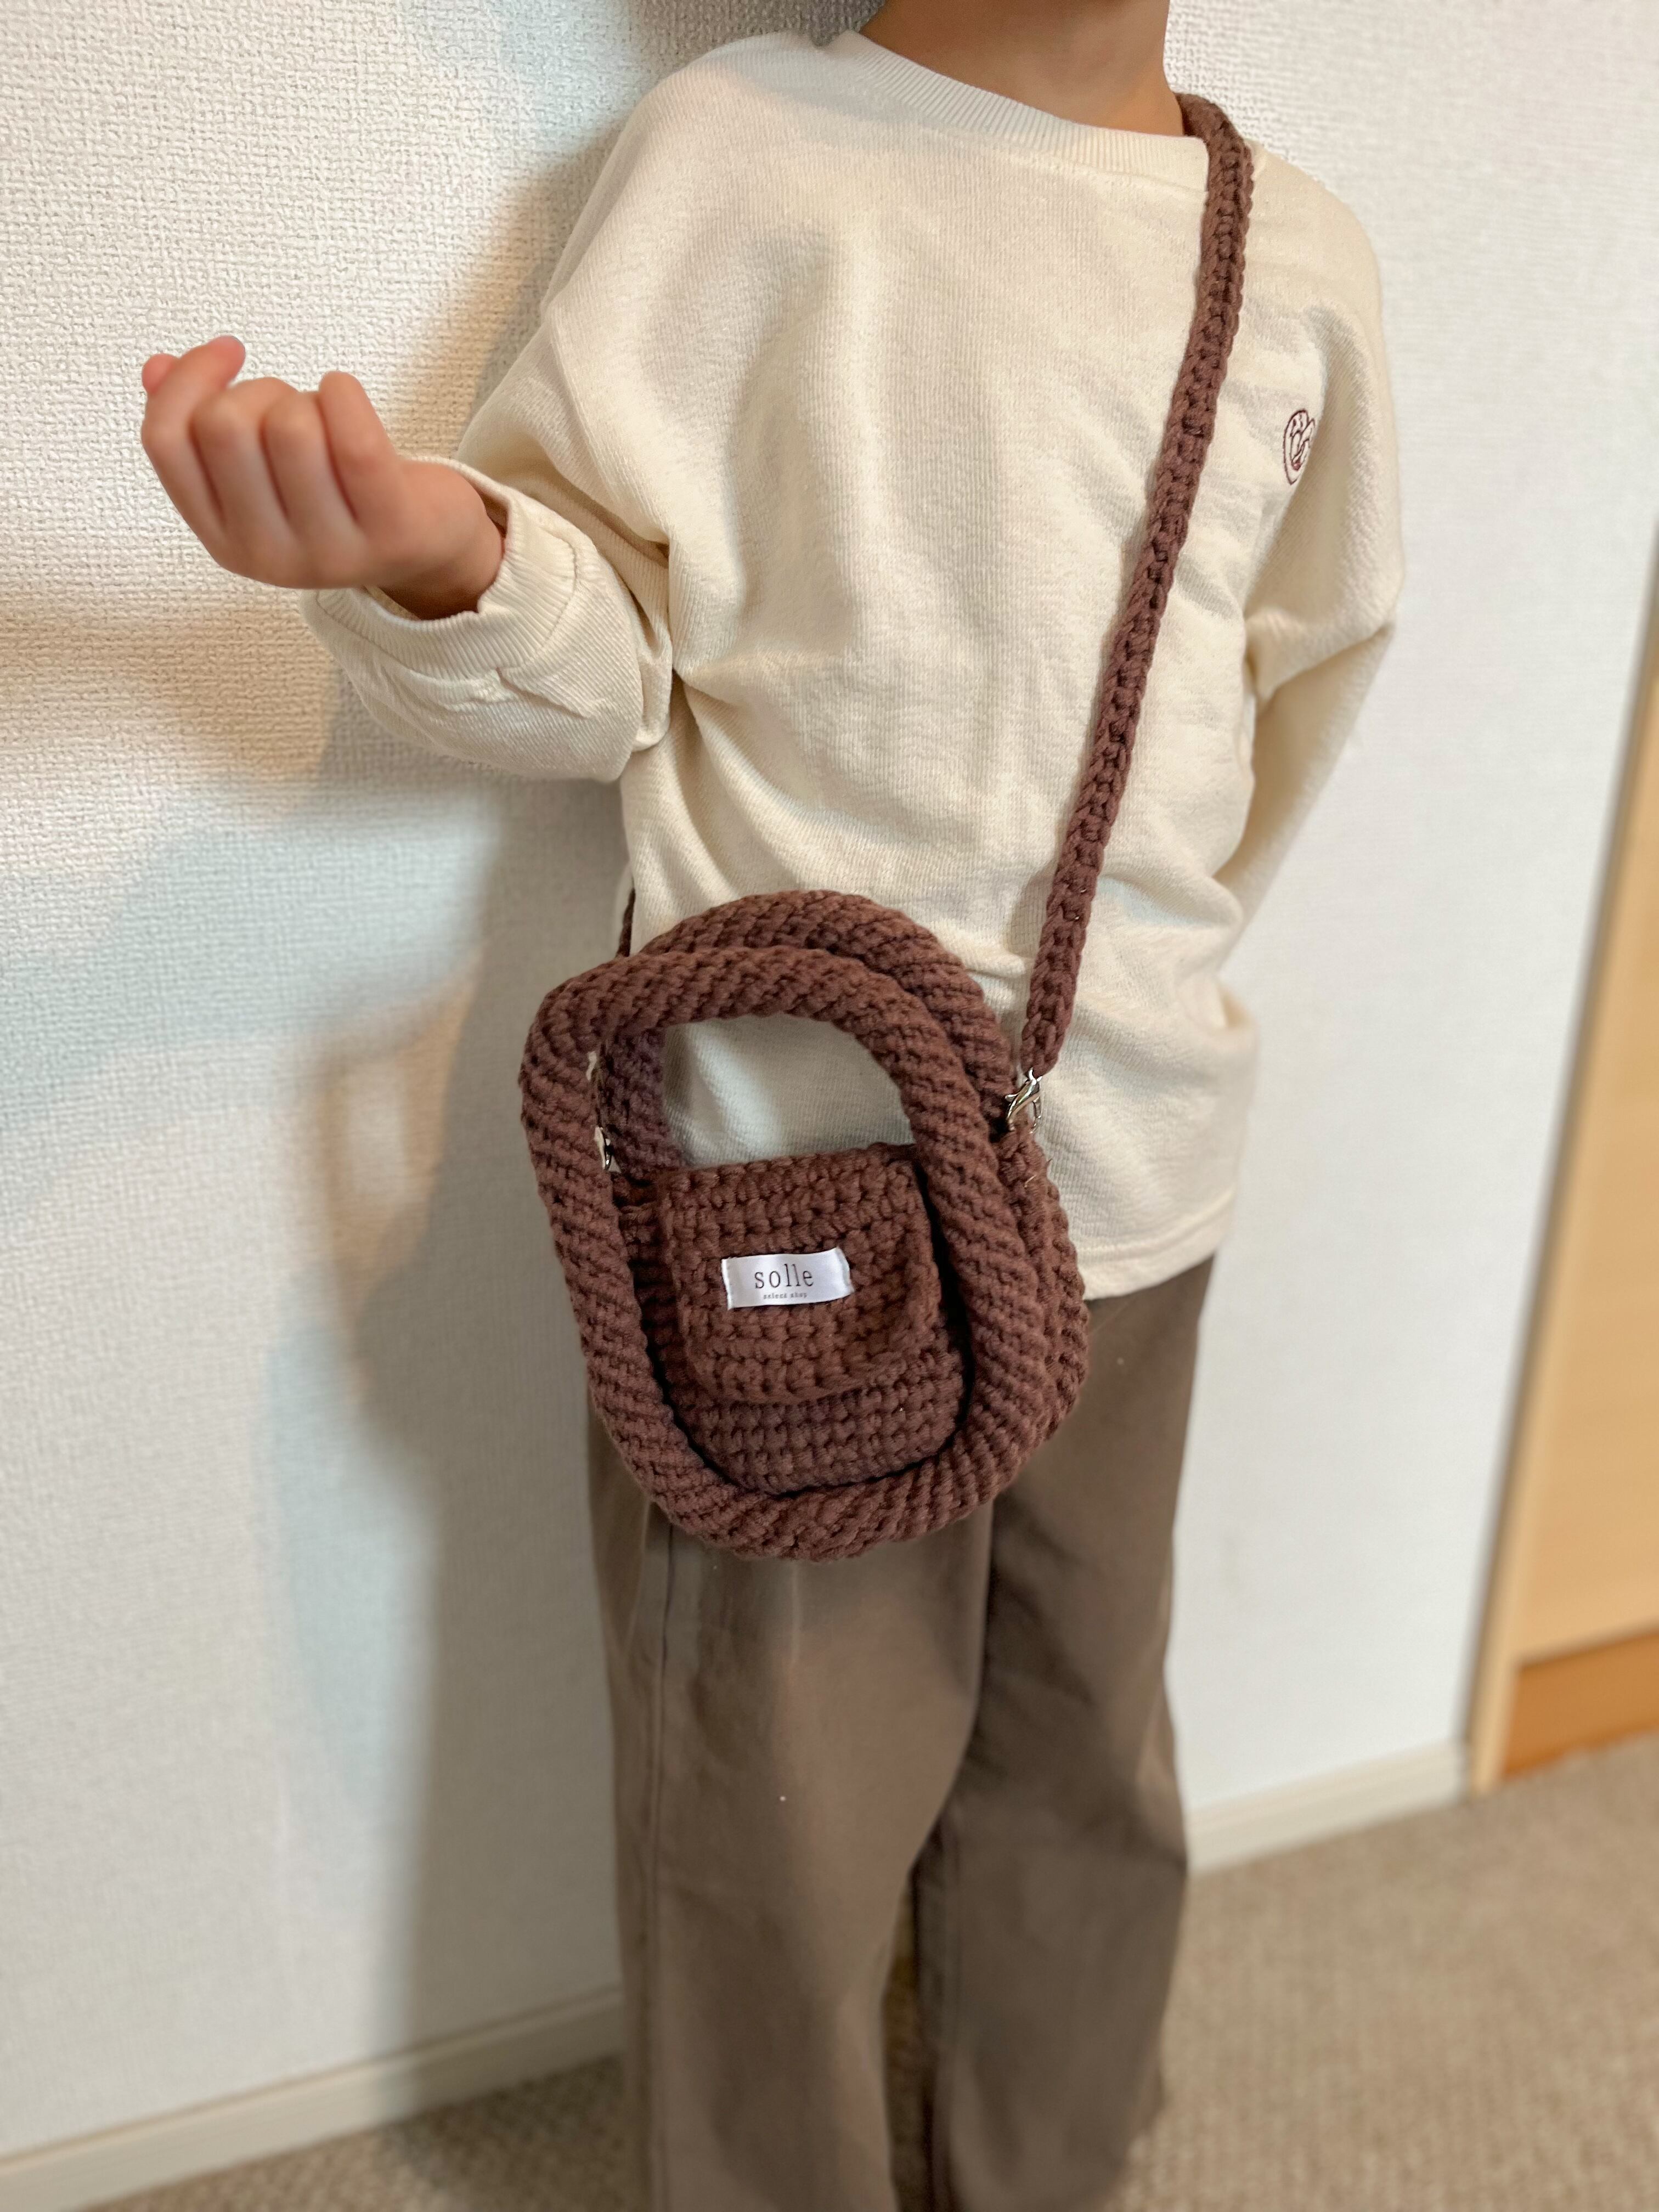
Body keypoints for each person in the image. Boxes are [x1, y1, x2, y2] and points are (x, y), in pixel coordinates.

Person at [138, 3, 1402, 2205]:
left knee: (1087, 1746)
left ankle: (1051, 2160)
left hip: (1136, 1181)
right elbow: (601, 643)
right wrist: (442, 561)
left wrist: (1144, 997)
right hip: (788, 1201)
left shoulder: (1294, 255)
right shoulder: (743, 156)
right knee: (771, 1817)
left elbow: (1296, 694)